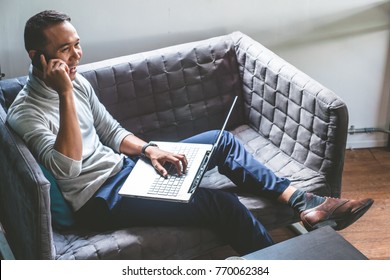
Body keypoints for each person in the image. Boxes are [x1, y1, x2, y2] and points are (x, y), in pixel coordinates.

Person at [7, 10, 373, 256]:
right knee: (221, 204)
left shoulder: (78, 81)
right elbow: (68, 169)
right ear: (38, 57)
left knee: (222, 140)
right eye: (64, 50)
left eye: (76, 45)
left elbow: (111, 131)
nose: (77, 56)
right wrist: (65, 93)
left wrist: (149, 150)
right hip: (97, 200)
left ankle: (305, 203)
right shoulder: (26, 113)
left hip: (124, 170)